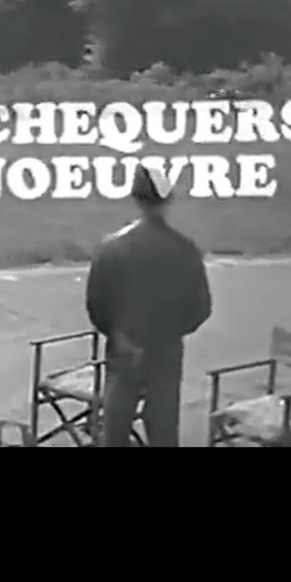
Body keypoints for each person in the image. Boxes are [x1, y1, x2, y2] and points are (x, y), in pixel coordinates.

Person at [86, 162, 212, 447]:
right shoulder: (184, 249)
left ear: (136, 198)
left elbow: (97, 306)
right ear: (167, 201)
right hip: (166, 352)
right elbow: (201, 308)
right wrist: (171, 332)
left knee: (115, 432)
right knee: (164, 431)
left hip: (124, 350)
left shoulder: (111, 248)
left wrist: (117, 333)